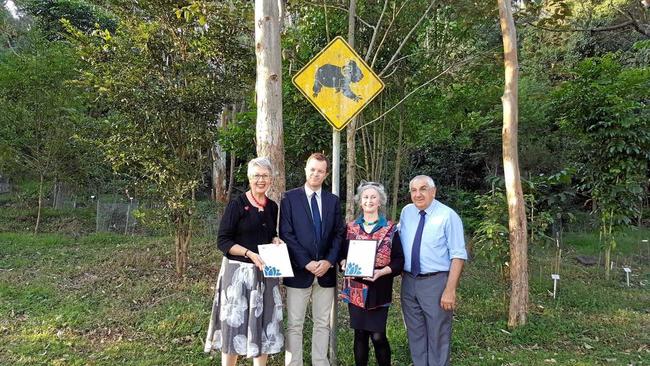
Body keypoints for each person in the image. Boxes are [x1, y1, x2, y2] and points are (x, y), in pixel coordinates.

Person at [205, 157, 284, 366]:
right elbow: (223, 241)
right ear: (249, 178)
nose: (261, 180)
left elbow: (269, 234)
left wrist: (275, 239)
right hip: (237, 276)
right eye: (257, 175)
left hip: (264, 274)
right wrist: (249, 253)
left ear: (270, 179)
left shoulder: (272, 207)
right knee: (234, 326)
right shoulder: (237, 205)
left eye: (265, 176)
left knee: (263, 325)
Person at [280, 152, 344, 366]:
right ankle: (294, 363)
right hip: (299, 271)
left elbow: (338, 234)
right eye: (312, 169)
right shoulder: (289, 198)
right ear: (306, 170)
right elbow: (286, 233)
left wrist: (328, 262)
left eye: (320, 171)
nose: (316, 174)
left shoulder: (333, 201)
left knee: (322, 323)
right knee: (295, 324)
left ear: (326, 174)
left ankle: (320, 361)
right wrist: (306, 262)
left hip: (326, 273)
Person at [398, 175, 468, 366]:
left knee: (438, 333)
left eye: (423, 189)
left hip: (436, 283)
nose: (418, 194)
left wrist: (450, 289)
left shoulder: (448, 216)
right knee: (415, 332)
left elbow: (458, 255)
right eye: (413, 190)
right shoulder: (407, 212)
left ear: (433, 191)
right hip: (409, 282)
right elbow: (396, 238)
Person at [339, 182, 404, 366]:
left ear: (380, 202)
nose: (369, 200)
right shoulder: (350, 228)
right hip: (356, 290)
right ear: (360, 202)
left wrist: (381, 272)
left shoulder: (391, 229)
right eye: (365, 197)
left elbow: (399, 261)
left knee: (378, 336)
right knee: (359, 335)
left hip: (379, 288)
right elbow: (341, 255)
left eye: (373, 197)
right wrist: (343, 263)